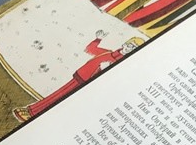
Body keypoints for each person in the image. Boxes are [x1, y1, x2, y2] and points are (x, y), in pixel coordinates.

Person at [12, 32, 144, 123]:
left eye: (133, 48)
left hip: (87, 85)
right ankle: (30, 111)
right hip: (80, 77)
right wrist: (98, 39)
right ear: (125, 44)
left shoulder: (121, 64)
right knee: (57, 96)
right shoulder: (108, 53)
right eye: (130, 45)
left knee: (63, 103)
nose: (129, 48)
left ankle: (33, 115)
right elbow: (90, 49)